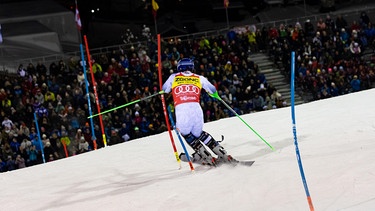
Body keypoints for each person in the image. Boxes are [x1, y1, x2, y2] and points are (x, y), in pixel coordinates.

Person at [162, 58, 236, 166]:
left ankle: (206, 155)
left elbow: (164, 90)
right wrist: (216, 96)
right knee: (199, 133)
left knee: (186, 134)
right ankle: (221, 152)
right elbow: (213, 90)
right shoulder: (199, 78)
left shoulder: (174, 77)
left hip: (182, 110)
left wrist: (163, 92)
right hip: (197, 110)